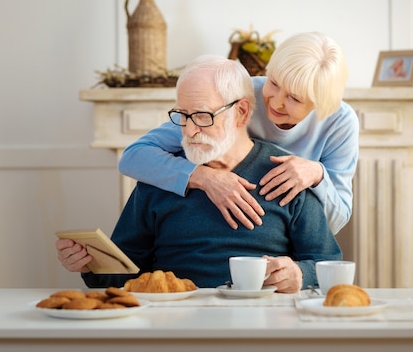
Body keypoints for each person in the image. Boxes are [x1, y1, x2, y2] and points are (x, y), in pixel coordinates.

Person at [56, 55, 342, 293]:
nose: (190, 130)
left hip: (262, 323)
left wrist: (299, 274)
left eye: (203, 116)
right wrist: (89, 264)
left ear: (241, 112)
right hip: (175, 323)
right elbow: (124, 273)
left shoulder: (288, 175)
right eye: (182, 115)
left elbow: (328, 262)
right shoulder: (160, 179)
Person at [118, 32, 359, 233]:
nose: (275, 103)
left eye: (294, 98)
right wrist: (204, 177)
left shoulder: (340, 123)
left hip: (285, 233)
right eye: (273, 82)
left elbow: (336, 221)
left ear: (319, 103)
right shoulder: (240, 97)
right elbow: (134, 156)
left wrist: (317, 174)